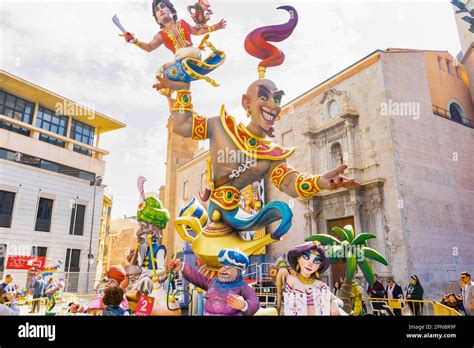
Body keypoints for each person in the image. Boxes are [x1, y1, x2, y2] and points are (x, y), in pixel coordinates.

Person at [168, 248, 260, 316]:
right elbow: (196, 277)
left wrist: (244, 305)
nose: (223, 270)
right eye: (222, 266)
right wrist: (181, 266)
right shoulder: (212, 283)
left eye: (228, 268)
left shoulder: (243, 287)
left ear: (238, 271)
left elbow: (254, 303)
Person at [277, 242, 345, 316]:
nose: (310, 264)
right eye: (306, 257)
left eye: (316, 261)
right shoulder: (291, 280)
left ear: (319, 266)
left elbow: (340, 302)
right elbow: (286, 306)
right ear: (298, 259)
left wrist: (334, 303)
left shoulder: (320, 285)